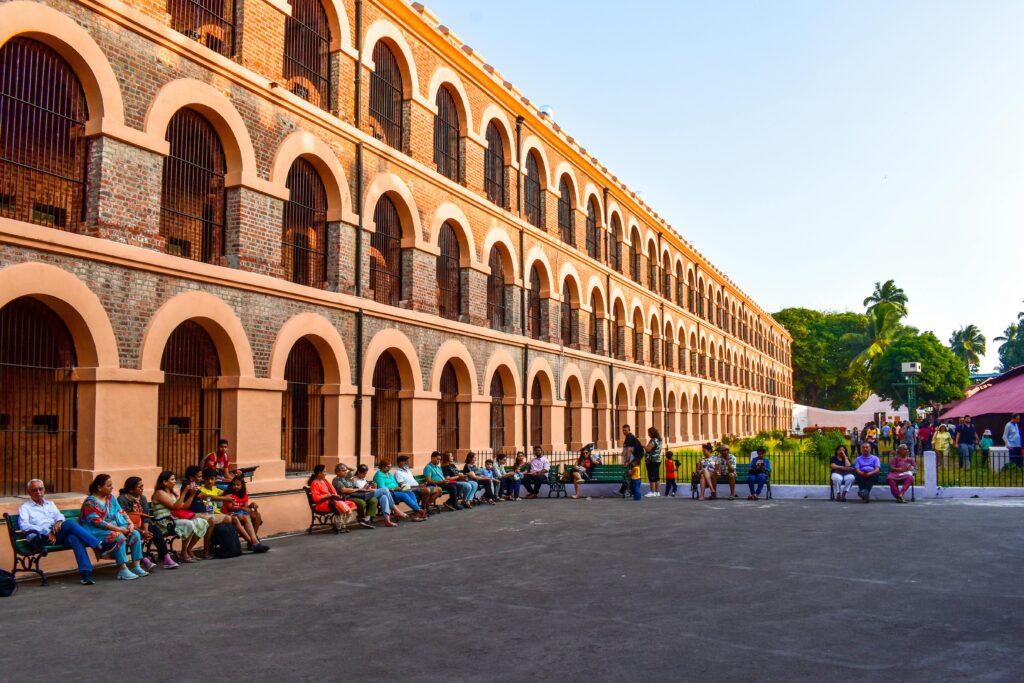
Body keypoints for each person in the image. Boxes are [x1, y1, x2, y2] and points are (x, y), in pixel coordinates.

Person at [18, 479, 111, 585]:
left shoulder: (50, 504)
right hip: (40, 539)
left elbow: (59, 515)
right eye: (34, 490)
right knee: (69, 524)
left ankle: (86, 575)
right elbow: (24, 526)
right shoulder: (25, 508)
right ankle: (98, 544)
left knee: (73, 538)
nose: (38, 492)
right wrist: (46, 532)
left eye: (40, 489)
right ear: (29, 492)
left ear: (44, 490)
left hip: (55, 535)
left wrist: (59, 521)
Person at [79, 474, 147, 581]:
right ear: (99, 487)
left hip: (114, 527)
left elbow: (121, 511)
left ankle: (136, 566)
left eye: (111, 485)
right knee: (118, 536)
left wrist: (130, 523)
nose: (112, 487)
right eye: (109, 485)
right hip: (96, 531)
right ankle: (122, 569)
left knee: (135, 533)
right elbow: (98, 522)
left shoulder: (110, 498)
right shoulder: (90, 502)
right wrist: (119, 529)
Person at [118, 476, 178, 570]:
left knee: (155, 530)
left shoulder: (142, 498)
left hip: (142, 525)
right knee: (136, 534)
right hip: (128, 526)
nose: (142, 489)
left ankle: (166, 557)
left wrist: (145, 530)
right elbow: (123, 519)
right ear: (131, 490)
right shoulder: (122, 499)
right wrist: (142, 532)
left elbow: (146, 516)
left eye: (143, 486)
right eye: (140, 487)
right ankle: (144, 559)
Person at [150, 470, 209, 563]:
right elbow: (175, 507)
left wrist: (192, 494)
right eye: (172, 479)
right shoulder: (159, 493)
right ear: (165, 482)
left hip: (174, 519)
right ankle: (183, 552)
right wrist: (185, 492)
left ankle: (189, 549)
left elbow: (184, 507)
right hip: (164, 521)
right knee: (188, 524)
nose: (174, 481)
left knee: (202, 522)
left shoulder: (172, 493)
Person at [222, 475, 270, 551]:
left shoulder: (244, 494)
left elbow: (245, 507)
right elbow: (229, 508)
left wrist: (251, 505)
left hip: (240, 513)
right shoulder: (228, 494)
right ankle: (254, 542)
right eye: (234, 485)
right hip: (230, 514)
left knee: (257, 515)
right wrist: (243, 508)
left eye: (238, 485)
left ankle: (252, 543)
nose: (236, 487)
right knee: (245, 516)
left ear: (242, 485)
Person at [306, 464, 357, 531]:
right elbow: (316, 497)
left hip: (331, 501)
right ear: (319, 473)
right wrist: (327, 496)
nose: (326, 473)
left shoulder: (324, 480)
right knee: (339, 505)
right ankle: (339, 526)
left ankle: (342, 524)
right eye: (324, 471)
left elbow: (332, 491)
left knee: (350, 503)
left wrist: (334, 496)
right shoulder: (314, 483)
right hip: (322, 504)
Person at [333, 463, 384, 527]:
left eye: (346, 470)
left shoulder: (347, 476)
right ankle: (361, 517)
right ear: (337, 472)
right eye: (343, 470)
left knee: (373, 499)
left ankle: (367, 519)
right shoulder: (336, 480)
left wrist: (346, 466)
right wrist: (359, 490)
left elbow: (354, 469)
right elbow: (344, 490)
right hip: (347, 497)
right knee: (361, 502)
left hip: (355, 494)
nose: (345, 472)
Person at [617, 425, 645, 497]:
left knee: (629, 476)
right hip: (634, 459)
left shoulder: (629, 438)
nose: (624, 431)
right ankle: (625, 490)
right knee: (630, 476)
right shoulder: (631, 437)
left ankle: (627, 491)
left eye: (626, 430)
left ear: (629, 430)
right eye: (623, 430)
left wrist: (626, 461)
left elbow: (629, 450)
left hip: (631, 460)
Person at [643, 427, 663, 497]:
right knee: (657, 476)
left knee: (651, 475)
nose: (648, 434)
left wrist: (644, 446)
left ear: (651, 433)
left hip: (652, 460)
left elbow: (648, 449)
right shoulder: (659, 440)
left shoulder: (653, 440)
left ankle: (652, 492)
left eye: (648, 433)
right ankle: (657, 492)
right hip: (657, 460)